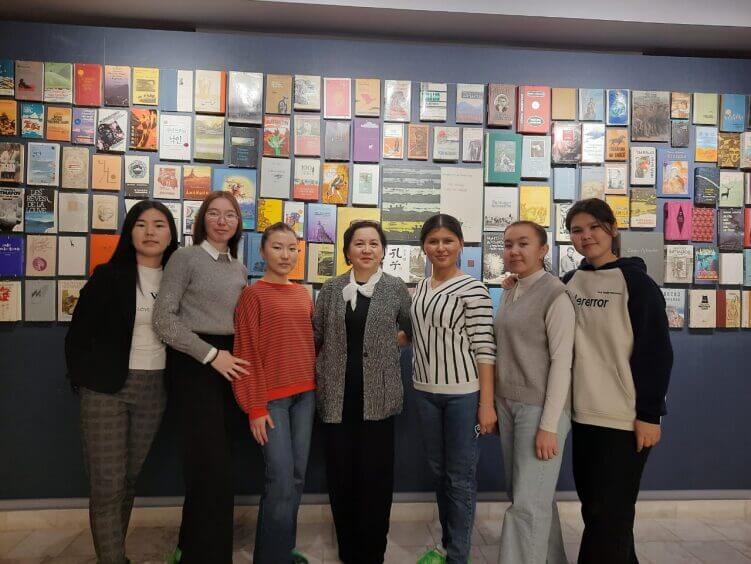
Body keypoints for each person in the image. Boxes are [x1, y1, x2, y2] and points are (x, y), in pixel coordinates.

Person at [65, 200, 178, 564]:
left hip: (155, 388)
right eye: (141, 224)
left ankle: (114, 555)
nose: (150, 232)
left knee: (129, 480)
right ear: (130, 232)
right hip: (105, 390)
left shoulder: (178, 280)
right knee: (107, 485)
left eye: (159, 225)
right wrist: (83, 380)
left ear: (171, 234)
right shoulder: (108, 275)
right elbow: (78, 334)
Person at [563, 198, 673, 564]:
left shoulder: (637, 284)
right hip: (583, 415)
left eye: (594, 227)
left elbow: (656, 353)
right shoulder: (570, 282)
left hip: (624, 420)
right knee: (601, 514)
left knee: (608, 518)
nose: (586, 236)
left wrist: (650, 415)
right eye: (577, 230)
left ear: (612, 229)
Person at [153, 192, 249, 564]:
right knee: (209, 468)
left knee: (218, 466)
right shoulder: (185, 257)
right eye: (214, 214)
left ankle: (192, 549)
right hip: (197, 366)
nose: (222, 221)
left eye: (230, 215)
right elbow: (163, 320)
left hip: (229, 367)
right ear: (202, 219)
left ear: (238, 223)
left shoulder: (238, 267)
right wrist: (210, 355)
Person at [313, 220, 412, 564]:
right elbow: (316, 336)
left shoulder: (395, 288)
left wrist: (390, 345)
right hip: (336, 399)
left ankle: (372, 554)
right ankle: (348, 551)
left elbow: (412, 330)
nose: (366, 249)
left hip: (379, 400)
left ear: (383, 250)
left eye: (373, 243)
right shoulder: (331, 288)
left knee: (376, 480)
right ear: (347, 251)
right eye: (359, 243)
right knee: (341, 477)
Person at [411, 214, 497, 564]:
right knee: (439, 473)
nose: (441, 247)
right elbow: (416, 334)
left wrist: (486, 405)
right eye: (433, 241)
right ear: (424, 247)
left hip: (463, 395)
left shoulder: (473, 289)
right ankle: (449, 546)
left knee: (459, 477)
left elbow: (485, 348)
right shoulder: (419, 287)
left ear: (461, 244)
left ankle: (458, 556)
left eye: (448, 240)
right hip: (424, 392)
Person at [232, 222, 316, 564]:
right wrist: (255, 407)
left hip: (306, 396)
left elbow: (310, 343)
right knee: (280, 480)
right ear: (263, 251)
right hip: (271, 400)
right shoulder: (252, 295)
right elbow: (246, 352)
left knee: (296, 479)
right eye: (278, 247)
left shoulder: (303, 294)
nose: (286, 255)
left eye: (292, 248)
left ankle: (284, 551)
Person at [493, 221, 575, 564]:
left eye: (523, 244)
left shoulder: (556, 294)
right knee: (532, 496)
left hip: (540, 408)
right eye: (508, 244)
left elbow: (562, 362)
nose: (514, 251)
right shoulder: (512, 289)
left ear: (543, 250)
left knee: (526, 505)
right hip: (509, 404)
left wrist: (549, 425)